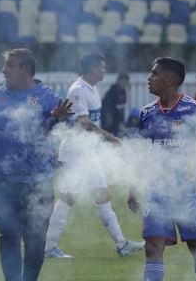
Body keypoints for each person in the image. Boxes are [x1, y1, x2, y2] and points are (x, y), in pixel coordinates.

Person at [0, 48, 72, 281]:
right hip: (1, 179)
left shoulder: (48, 99)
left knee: (35, 239)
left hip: (37, 180)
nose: (4, 71)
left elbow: (60, 132)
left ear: (25, 70)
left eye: (10, 66)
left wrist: (55, 122)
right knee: (8, 235)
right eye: (5, 66)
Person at [123, 57, 196, 281]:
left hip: (187, 189)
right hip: (157, 189)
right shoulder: (146, 113)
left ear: (170, 80)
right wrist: (133, 186)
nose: (148, 78)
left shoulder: (193, 108)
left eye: (153, 74)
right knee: (152, 245)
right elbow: (141, 153)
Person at [44, 53, 143, 259]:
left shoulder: (93, 89)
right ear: (92, 69)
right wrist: (110, 137)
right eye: (102, 67)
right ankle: (49, 246)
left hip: (87, 152)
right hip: (75, 152)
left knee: (102, 196)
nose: (105, 71)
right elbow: (84, 122)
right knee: (68, 198)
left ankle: (121, 243)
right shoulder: (78, 90)